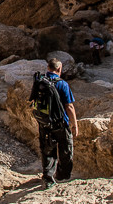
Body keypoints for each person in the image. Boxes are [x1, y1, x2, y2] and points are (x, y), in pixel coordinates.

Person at [29, 58, 78, 188]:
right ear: (59, 69)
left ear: (48, 68)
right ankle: (63, 177)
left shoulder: (40, 81)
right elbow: (69, 107)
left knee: (47, 151)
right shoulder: (62, 84)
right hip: (61, 123)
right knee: (66, 149)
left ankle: (48, 178)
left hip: (44, 123)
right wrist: (74, 124)